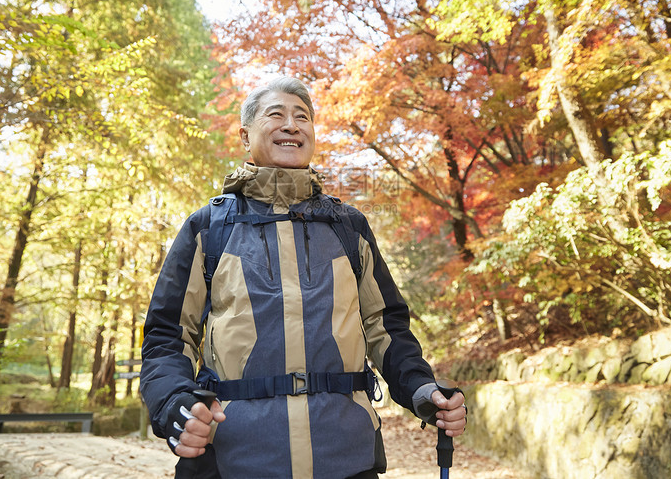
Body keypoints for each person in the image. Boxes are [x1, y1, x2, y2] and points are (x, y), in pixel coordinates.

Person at [140, 76, 466, 479]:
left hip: (347, 457)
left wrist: (421, 388)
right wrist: (176, 405)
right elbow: (167, 337)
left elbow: (385, 329)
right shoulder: (208, 228)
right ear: (245, 136)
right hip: (235, 460)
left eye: (303, 117)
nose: (292, 125)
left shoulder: (349, 227)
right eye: (276, 115)